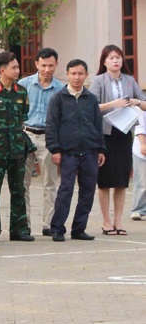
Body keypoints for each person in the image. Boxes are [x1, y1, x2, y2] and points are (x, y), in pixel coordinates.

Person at [45, 59, 106, 242]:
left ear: (86, 75)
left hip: (90, 152)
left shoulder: (91, 99)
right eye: (73, 73)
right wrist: (55, 149)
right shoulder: (58, 98)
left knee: (87, 192)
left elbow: (98, 125)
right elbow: (51, 126)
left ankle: (79, 228)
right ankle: (57, 228)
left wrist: (101, 149)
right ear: (68, 74)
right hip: (68, 153)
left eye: (80, 73)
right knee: (66, 191)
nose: (76, 77)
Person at [91, 44, 146, 235]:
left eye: (118, 57)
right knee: (105, 180)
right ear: (104, 62)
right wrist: (113, 104)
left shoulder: (130, 81)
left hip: (124, 134)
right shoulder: (98, 81)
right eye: (111, 58)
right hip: (105, 134)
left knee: (122, 180)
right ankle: (106, 221)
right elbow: (91, 106)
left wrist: (137, 102)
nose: (115, 61)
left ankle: (118, 221)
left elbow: (144, 103)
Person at [0, 51, 33, 242]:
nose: (17, 71)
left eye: (18, 67)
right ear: (2, 70)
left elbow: (23, 116)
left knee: (19, 190)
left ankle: (19, 230)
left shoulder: (21, 91)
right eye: (14, 67)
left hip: (17, 148)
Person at [19, 48, 65, 236]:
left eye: (51, 65)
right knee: (22, 183)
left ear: (56, 65)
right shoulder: (23, 85)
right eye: (43, 65)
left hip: (49, 138)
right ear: (36, 64)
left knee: (50, 183)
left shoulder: (61, 89)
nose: (47, 69)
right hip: (26, 134)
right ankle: (24, 224)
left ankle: (49, 224)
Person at [133, 109, 146, 222]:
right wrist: (143, 144)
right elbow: (139, 126)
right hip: (141, 149)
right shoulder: (142, 108)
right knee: (142, 183)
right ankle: (138, 209)